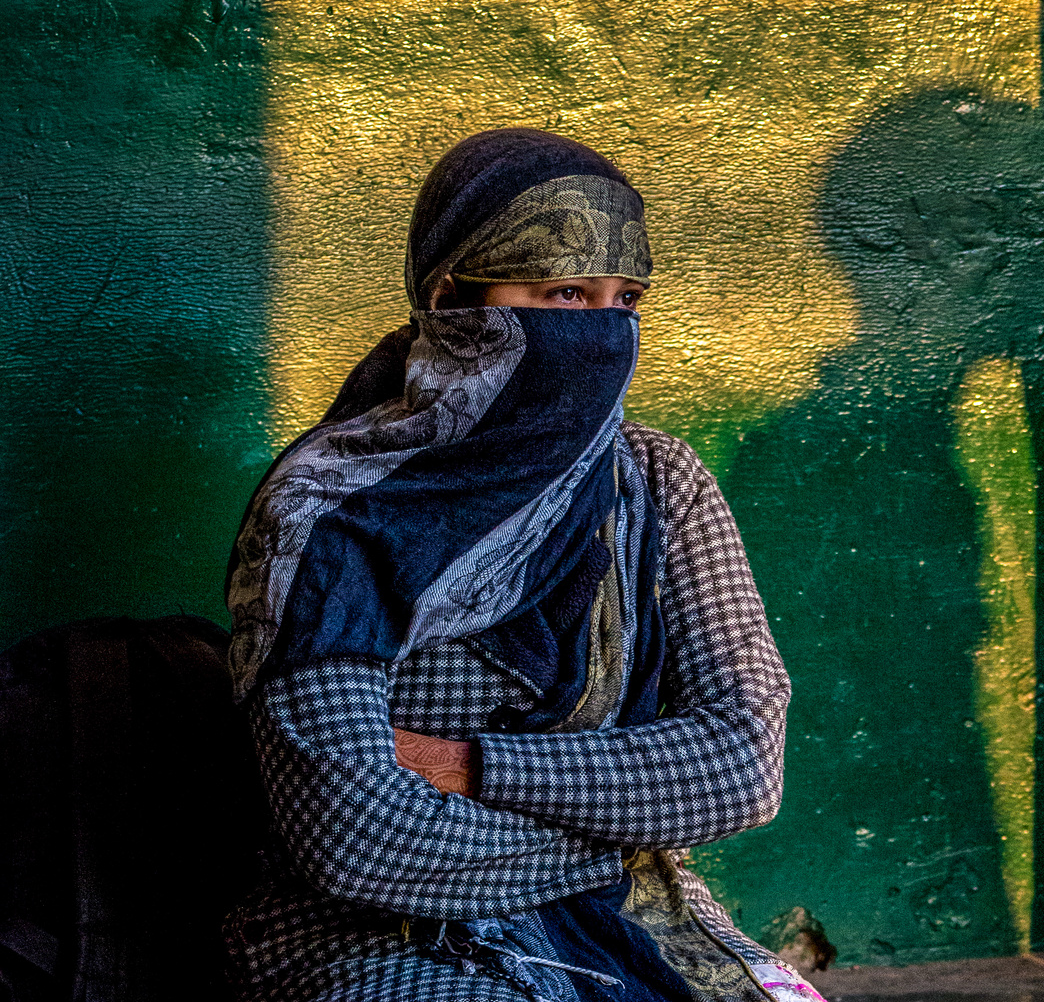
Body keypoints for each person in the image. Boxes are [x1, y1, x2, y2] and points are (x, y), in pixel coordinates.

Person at [223, 128, 821, 1002]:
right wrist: (626, 824)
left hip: (634, 915)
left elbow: (741, 766)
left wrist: (471, 767)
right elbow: (358, 841)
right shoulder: (326, 513)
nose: (604, 329)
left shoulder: (658, 482)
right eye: (564, 292)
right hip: (373, 938)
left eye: (626, 299)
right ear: (450, 299)